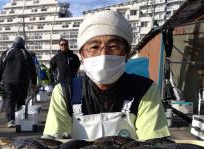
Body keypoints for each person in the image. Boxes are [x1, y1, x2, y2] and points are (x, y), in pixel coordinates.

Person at [43, 10, 170, 140]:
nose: (103, 55)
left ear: (127, 53)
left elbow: (154, 145)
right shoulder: (64, 92)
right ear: (82, 54)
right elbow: (53, 144)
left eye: (114, 46)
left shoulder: (145, 90)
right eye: (94, 47)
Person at [0, 36, 36, 128]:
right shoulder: (26, 53)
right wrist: (34, 82)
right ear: (23, 44)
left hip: (7, 81)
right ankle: (20, 119)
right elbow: (32, 70)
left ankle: (11, 120)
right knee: (21, 100)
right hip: (21, 81)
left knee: (10, 100)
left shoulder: (6, 53)